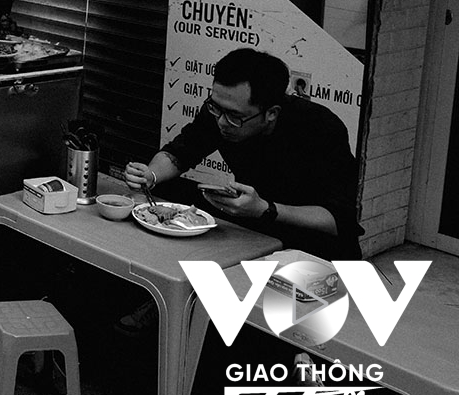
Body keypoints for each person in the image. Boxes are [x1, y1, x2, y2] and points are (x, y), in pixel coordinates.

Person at [124, 47, 363, 260]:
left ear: (271, 113)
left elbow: (337, 220)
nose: (222, 122)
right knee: (169, 192)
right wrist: (151, 175)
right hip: (257, 224)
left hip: (315, 245)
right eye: (215, 107)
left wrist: (266, 209)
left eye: (235, 117)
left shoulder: (319, 127)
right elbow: (181, 152)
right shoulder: (221, 113)